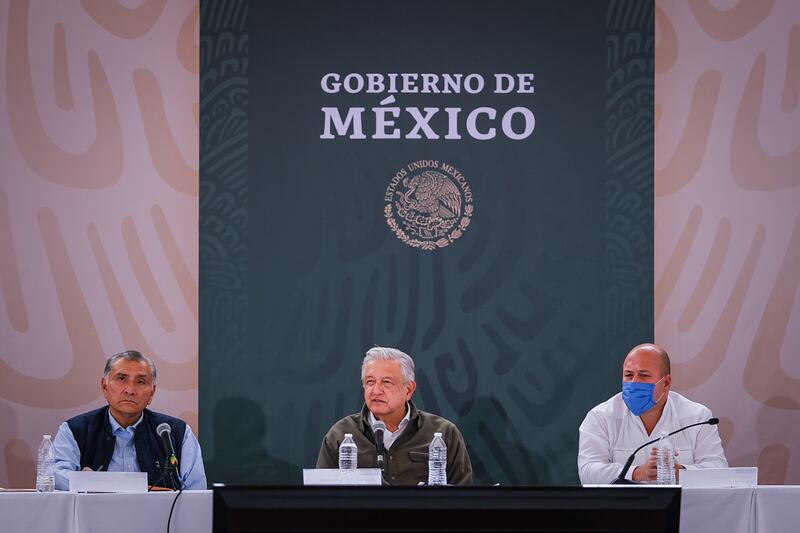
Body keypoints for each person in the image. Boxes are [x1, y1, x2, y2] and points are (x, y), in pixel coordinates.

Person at [316, 346, 473, 485]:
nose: (376, 390)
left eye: (387, 382)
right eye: (370, 382)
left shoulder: (444, 433)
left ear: (409, 390)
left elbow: (464, 498)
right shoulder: (341, 434)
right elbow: (321, 499)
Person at [53, 350, 206, 490]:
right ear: (104, 386)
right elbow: (55, 477)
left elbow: (196, 492)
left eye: (140, 382)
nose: (130, 390)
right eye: (121, 378)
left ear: (152, 393)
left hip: (158, 518)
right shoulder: (75, 430)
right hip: (94, 518)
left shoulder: (175, 433)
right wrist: (89, 482)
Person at [578, 343, 727, 484]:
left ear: (666, 383)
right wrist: (635, 472)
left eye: (644, 375)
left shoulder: (698, 417)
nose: (634, 382)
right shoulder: (600, 417)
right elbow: (588, 471)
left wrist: (680, 472)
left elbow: (718, 468)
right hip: (622, 509)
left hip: (683, 509)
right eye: (629, 375)